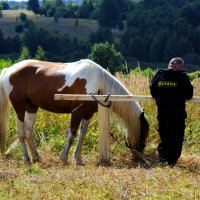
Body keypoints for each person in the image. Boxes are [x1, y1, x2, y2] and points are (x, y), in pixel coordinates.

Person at [150, 57, 193, 166]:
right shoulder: (182, 77)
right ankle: (172, 162)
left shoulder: (159, 75)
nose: (183, 69)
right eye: (182, 67)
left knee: (164, 137)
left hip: (163, 114)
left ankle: (162, 160)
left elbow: (153, 91)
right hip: (177, 114)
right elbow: (189, 95)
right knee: (177, 138)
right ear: (178, 65)